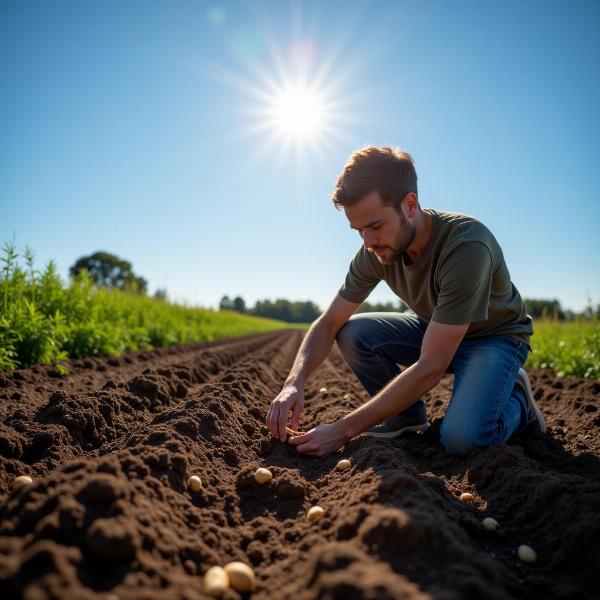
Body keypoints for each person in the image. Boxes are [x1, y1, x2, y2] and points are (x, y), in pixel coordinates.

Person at [265, 146, 546, 457]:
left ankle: (518, 399)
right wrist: (294, 382)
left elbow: (431, 366)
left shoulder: (466, 245)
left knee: (463, 440)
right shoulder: (374, 252)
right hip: (434, 329)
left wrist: (343, 430)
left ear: (409, 204)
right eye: (358, 231)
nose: (368, 242)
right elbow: (329, 321)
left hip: (493, 339)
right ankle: (407, 416)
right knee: (352, 331)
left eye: (375, 226)